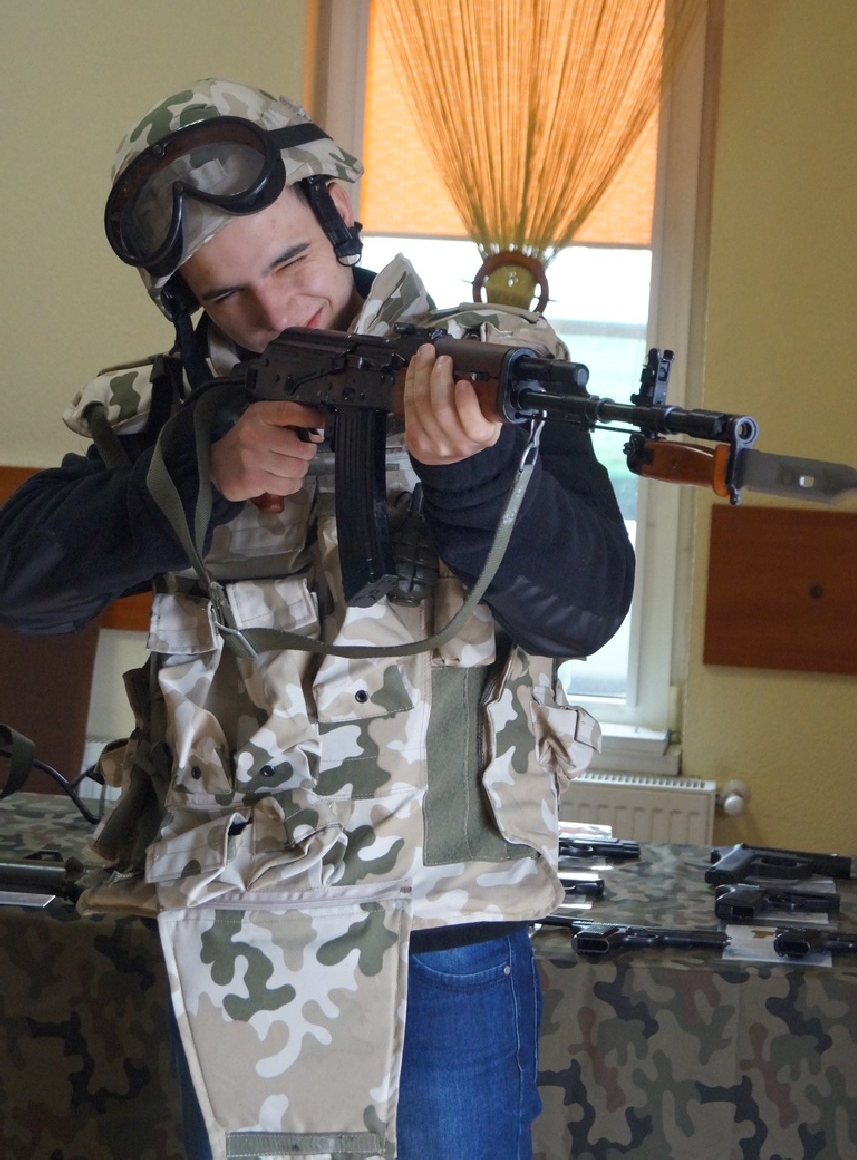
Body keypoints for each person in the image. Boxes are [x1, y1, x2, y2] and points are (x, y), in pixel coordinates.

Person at [0, 79, 635, 1160]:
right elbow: (24, 581)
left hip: (442, 919)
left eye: (291, 260)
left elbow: (587, 607)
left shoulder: (493, 365)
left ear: (339, 206)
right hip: (235, 915)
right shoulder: (172, 409)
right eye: (227, 296)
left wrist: (473, 480)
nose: (274, 312)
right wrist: (200, 479)